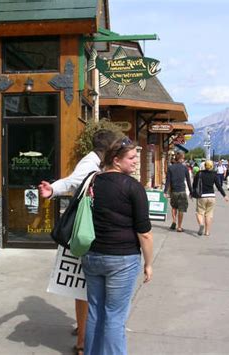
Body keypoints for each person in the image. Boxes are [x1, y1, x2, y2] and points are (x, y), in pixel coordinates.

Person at [38, 129, 117, 355]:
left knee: (84, 286)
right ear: (107, 150)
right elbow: (72, 182)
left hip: (91, 232)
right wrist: (52, 189)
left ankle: (84, 330)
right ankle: (83, 341)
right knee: (83, 287)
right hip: (85, 233)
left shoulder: (99, 164)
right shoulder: (90, 163)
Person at [81, 136, 153, 355]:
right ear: (116, 159)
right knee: (115, 316)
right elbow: (145, 233)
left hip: (92, 256)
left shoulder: (92, 181)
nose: (135, 162)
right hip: (122, 259)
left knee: (94, 312)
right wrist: (149, 264)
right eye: (131, 158)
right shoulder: (133, 187)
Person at [193, 160, 229, 236]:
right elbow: (218, 186)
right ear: (212, 166)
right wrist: (224, 195)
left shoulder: (199, 173)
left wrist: (192, 193)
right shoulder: (214, 174)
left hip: (202, 196)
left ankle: (201, 224)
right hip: (212, 196)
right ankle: (207, 232)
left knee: (199, 213)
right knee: (209, 215)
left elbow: (194, 184)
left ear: (204, 166)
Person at [163, 152, 193, 232]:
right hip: (182, 191)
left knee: (174, 207)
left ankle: (174, 221)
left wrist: (165, 191)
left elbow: (168, 181)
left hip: (174, 191)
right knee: (181, 209)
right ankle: (179, 227)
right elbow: (188, 181)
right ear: (182, 158)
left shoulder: (170, 168)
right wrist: (191, 192)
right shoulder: (185, 168)